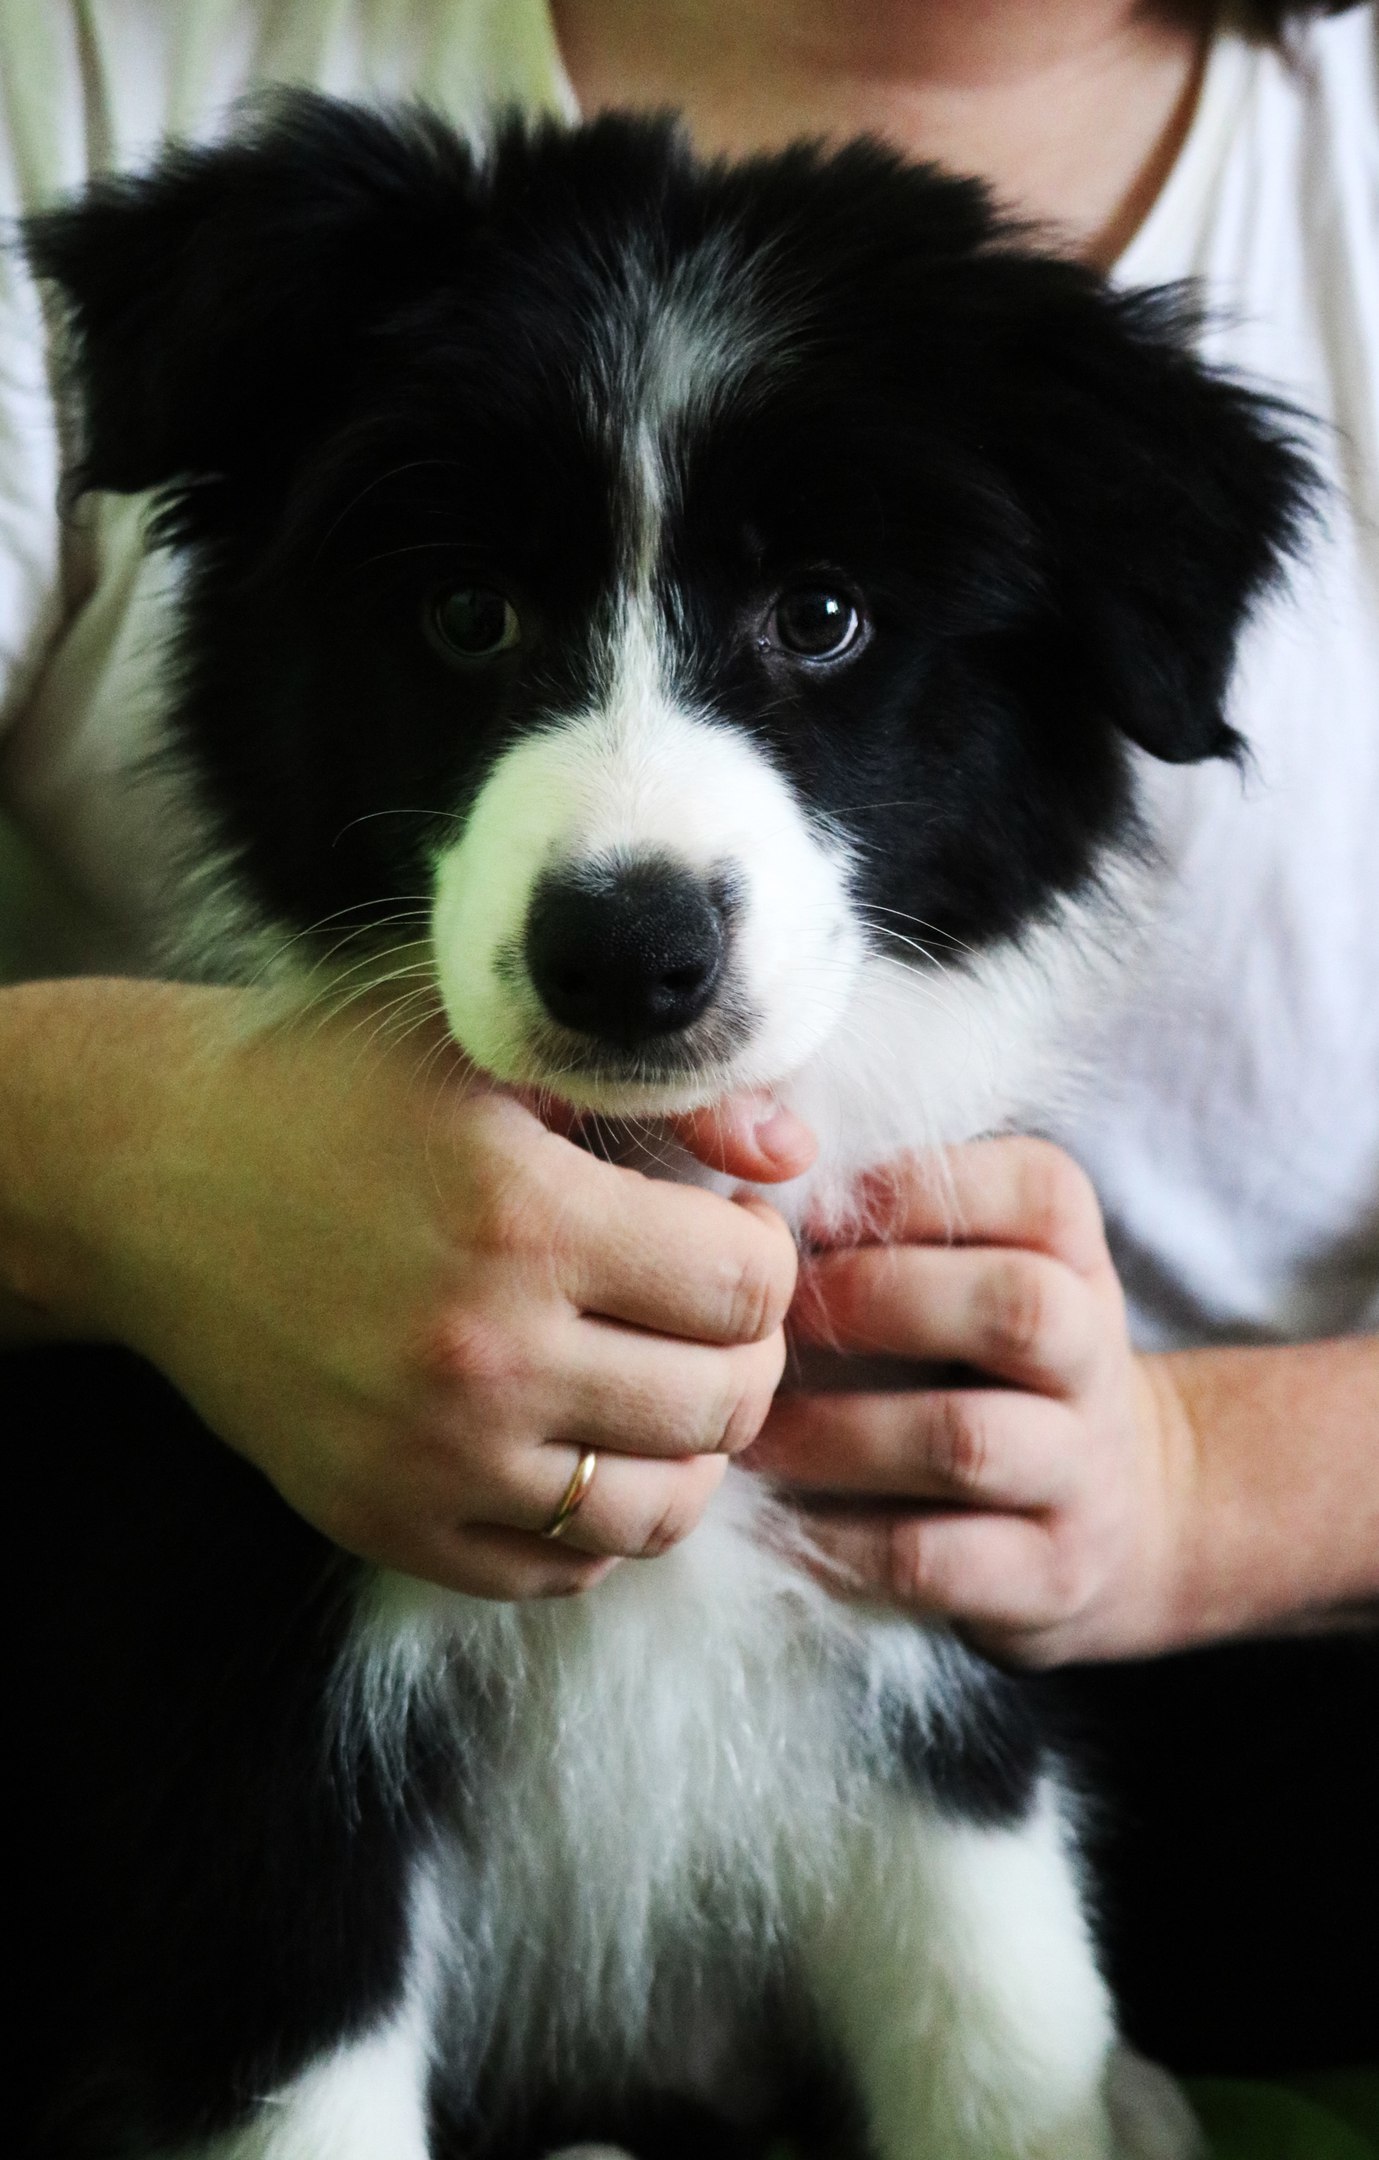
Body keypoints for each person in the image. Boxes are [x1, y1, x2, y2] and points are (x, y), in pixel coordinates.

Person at [1, 0, 1375, 2077]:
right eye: (476, 620)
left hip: (1228, 1717)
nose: (633, 832)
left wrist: (1194, 1487)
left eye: (815, 623)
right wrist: (114, 1161)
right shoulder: (111, 64)